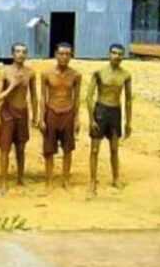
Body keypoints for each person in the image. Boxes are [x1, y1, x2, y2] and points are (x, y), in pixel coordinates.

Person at [86, 43, 133, 195]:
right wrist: (91, 119)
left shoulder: (125, 75)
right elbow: (89, 97)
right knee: (94, 149)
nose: (116, 56)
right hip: (101, 111)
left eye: (119, 54)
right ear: (109, 54)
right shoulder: (99, 73)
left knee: (114, 149)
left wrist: (128, 122)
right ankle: (92, 181)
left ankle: (116, 178)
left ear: (123, 57)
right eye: (114, 53)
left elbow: (128, 100)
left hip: (115, 112)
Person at [0, 43, 38, 192]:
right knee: (5, 148)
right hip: (7, 112)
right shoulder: (4, 72)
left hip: (22, 112)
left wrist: (35, 116)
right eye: (17, 52)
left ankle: (20, 177)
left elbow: (34, 96)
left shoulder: (30, 73)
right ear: (12, 54)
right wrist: (12, 86)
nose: (20, 54)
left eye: (23, 52)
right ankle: (3, 182)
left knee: (21, 147)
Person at [39, 42, 82, 190]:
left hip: (68, 113)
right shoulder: (46, 74)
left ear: (71, 56)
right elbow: (43, 97)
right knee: (49, 150)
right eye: (61, 54)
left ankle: (66, 180)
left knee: (67, 149)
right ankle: (49, 181)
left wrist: (77, 119)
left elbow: (76, 98)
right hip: (51, 112)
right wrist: (41, 118)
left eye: (67, 54)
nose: (64, 57)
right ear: (56, 55)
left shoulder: (76, 75)